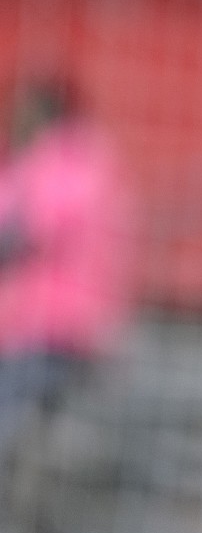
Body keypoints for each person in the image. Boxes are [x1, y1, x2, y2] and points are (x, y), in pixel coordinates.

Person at [0, 77, 133, 462]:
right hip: (56, 326)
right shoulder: (80, 162)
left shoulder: (65, 163)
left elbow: (22, 231)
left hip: (53, 327)